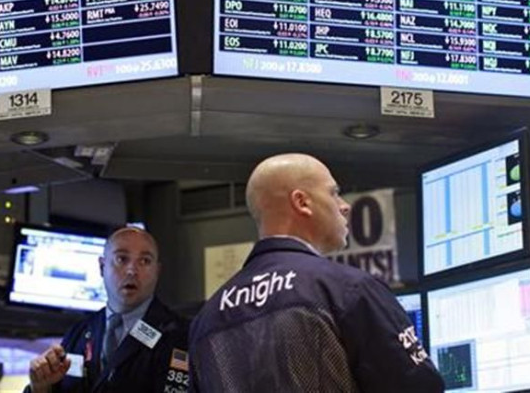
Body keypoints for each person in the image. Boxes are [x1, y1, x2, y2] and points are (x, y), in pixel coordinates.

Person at [188, 153, 445, 392]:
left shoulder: (206, 320)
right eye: (334, 193)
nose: (344, 206)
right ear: (302, 202)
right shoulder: (346, 290)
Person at [27, 226, 190, 393]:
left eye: (145, 261)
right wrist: (40, 388)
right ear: (101, 266)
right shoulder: (79, 333)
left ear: (157, 271)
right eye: (122, 259)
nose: (132, 270)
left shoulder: (180, 336)